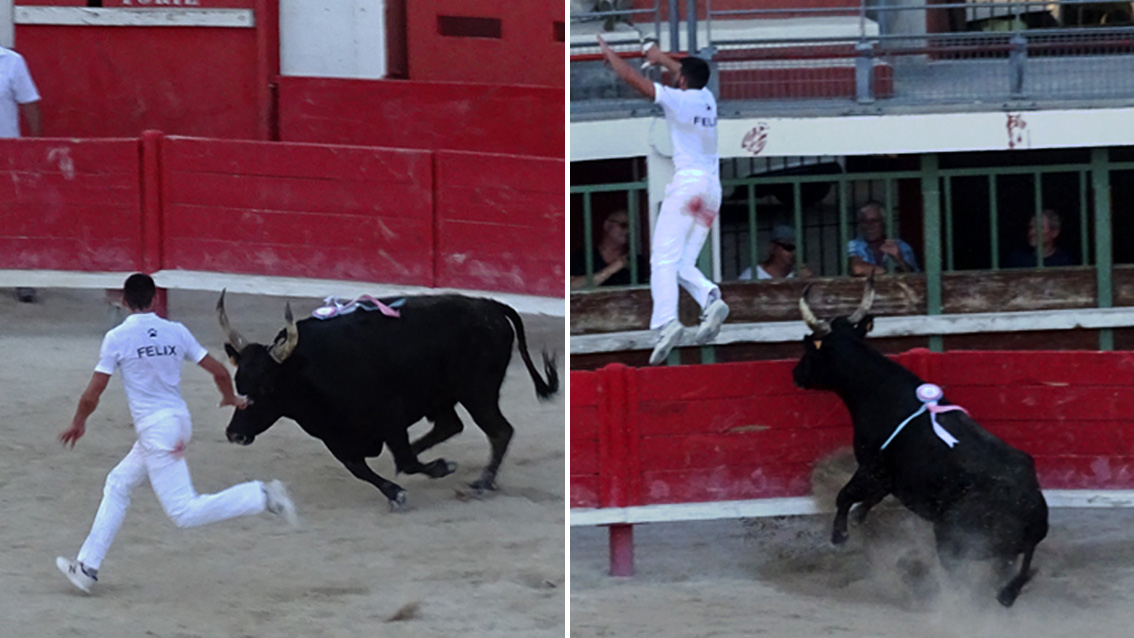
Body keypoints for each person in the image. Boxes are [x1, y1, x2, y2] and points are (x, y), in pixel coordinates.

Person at [55, 273, 297, 594]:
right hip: (177, 421)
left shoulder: (117, 337)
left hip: (157, 431)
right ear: (155, 299)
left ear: (124, 301)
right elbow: (220, 370)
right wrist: (229, 397)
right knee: (118, 483)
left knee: (184, 511)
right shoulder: (176, 332)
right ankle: (87, 567)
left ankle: (262, 496)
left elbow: (93, 393)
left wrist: (79, 422)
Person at [597, 35, 729, 365]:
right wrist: (660, 57)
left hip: (688, 187)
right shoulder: (708, 99)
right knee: (683, 262)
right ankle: (710, 297)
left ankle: (667, 322)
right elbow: (688, 71)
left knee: (662, 260)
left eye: (675, 74)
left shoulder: (678, 100)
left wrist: (610, 56)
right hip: (711, 190)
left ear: (682, 80)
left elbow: (633, 79)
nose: (672, 76)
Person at [2, 45, 42, 303]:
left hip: (7, 151)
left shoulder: (12, 61)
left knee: (14, 216)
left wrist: (36, 146)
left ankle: (23, 277)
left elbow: (30, 104)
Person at [570, 210, 649, 289]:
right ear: (607, 225)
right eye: (623, 225)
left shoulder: (636, 261)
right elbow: (571, 286)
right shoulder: (583, 256)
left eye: (631, 227)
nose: (628, 231)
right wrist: (613, 268)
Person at [847, 201, 920, 276]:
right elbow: (857, 268)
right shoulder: (855, 244)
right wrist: (889, 273)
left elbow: (915, 276)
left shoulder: (901, 246)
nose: (869, 226)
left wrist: (900, 259)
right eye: (864, 221)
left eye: (874, 221)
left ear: (884, 223)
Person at [1005, 209, 1076, 268]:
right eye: (1031, 227)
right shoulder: (1017, 259)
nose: (1032, 232)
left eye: (1040, 228)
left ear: (1054, 233)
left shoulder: (1065, 261)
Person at [739, 225, 812, 280]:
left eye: (797, 248)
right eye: (788, 247)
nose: (793, 252)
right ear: (772, 248)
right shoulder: (753, 275)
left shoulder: (798, 275)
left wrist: (806, 283)